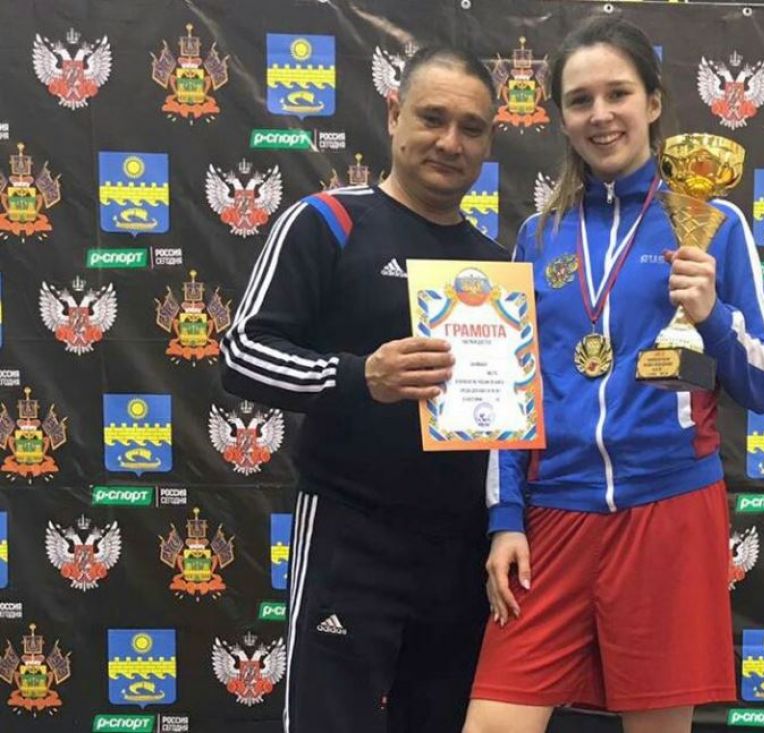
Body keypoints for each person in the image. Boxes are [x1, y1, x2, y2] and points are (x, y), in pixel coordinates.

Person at [464, 16, 764, 733]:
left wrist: (712, 316)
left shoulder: (714, 222)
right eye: (580, 100)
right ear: (561, 118)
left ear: (654, 102)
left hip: (667, 508)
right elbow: (510, 394)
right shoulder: (538, 236)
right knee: (492, 722)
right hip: (555, 511)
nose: (601, 114)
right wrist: (505, 519)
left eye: (618, 93)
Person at [220, 46, 506, 733]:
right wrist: (358, 376)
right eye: (433, 118)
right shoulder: (326, 222)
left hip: (462, 552)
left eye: (471, 128)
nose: (450, 142)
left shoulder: (497, 267)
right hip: (351, 534)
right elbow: (242, 354)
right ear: (393, 113)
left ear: (489, 140)